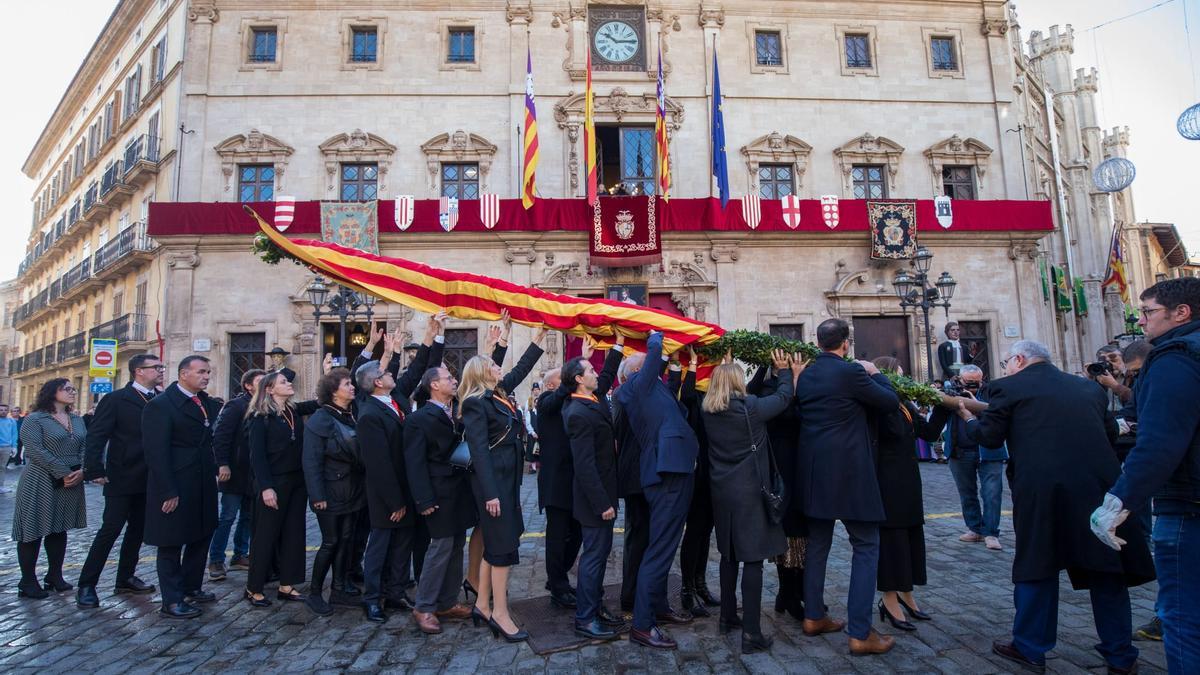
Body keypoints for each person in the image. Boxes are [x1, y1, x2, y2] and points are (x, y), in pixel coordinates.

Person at [956, 340, 1154, 673]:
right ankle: (1120, 654)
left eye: (1006, 361)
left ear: (1019, 360)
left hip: (1043, 492)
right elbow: (1108, 433)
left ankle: (1030, 646)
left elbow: (990, 437)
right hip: (1097, 488)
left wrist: (968, 418)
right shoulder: (1087, 389)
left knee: (1038, 566)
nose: (1004, 367)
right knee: (1106, 570)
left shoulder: (1006, 387)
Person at [1091, 277, 1200, 674]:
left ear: (1181, 313)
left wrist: (1120, 499)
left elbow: (1160, 441)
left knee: (1184, 614)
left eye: (1150, 312)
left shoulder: (1176, 357)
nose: (1143, 320)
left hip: (1189, 504)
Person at [795, 318, 900, 655]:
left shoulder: (807, 374)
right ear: (845, 343)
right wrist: (875, 372)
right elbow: (888, 401)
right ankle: (860, 632)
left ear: (819, 342)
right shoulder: (851, 372)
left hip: (814, 473)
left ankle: (813, 615)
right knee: (866, 546)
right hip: (851, 472)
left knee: (817, 546)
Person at [701, 351, 803, 654]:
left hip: (722, 492)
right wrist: (785, 371)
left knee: (729, 554)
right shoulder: (752, 409)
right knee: (754, 560)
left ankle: (727, 617)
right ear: (736, 383)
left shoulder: (708, 409)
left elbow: (751, 392)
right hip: (750, 492)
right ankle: (752, 633)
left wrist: (758, 367)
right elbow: (785, 398)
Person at [461, 327, 547, 642]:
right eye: (495, 366)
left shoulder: (496, 394)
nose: (501, 368)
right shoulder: (474, 403)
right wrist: (490, 494)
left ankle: (483, 604)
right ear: (484, 373)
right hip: (493, 485)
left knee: (497, 545)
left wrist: (537, 342)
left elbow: (520, 371)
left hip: (507, 482)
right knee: (503, 548)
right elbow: (479, 452)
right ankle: (500, 613)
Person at [615, 331, 697, 650]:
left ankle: (656, 608)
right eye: (652, 368)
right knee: (659, 550)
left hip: (672, 470)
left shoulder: (653, 392)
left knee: (661, 545)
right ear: (638, 373)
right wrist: (656, 332)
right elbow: (654, 355)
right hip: (667, 475)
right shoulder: (639, 386)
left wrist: (676, 363)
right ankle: (643, 625)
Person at [537, 336, 624, 610]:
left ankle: (561, 579)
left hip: (578, 482)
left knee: (575, 536)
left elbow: (606, 379)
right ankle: (558, 585)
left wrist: (616, 350)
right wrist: (573, 370)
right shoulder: (547, 403)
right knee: (557, 536)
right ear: (555, 385)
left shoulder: (581, 401)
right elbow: (564, 389)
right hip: (557, 482)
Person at [75, 355, 163, 609]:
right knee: (110, 529)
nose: (160, 370)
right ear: (138, 371)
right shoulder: (116, 400)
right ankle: (87, 584)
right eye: (155, 367)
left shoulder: (159, 398)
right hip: (122, 474)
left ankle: (125, 576)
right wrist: (93, 469)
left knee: (137, 530)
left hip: (149, 477)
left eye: (160, 367)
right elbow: (97, 435)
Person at [871, 356, 951, 633]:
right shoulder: (882, 405)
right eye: (901, 374)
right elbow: (891, 432)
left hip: (908, 480)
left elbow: (927, 433)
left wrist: (943, 404)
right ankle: (889, 598)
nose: (907, 379)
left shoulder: (905, 404)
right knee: (892, 540)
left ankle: (906, 592)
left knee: (910, 537)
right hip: (887, 481)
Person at [142, 355, 223, 619]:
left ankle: (191, 586)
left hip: (202, 481)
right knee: (172, 541)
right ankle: (172, 598)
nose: (206, 376)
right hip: (176, 481)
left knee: (201, 534)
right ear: (183, 374)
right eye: (201, 371)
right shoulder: (162, 405)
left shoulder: (207, 403)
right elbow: (156, 452)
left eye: (208, 372)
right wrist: (168, 490)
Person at [404, 365, 477, 635]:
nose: (454, 380)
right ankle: (423, 606)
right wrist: (423, 499)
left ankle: (446, 601)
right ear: (434, 385)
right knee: (440, 548)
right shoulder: (418, 419)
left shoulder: (456, 411)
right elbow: (415, 464)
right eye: (448, 378)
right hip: (437, 493)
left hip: (459, 491)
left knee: (457, 545)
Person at [562, 355, 625, 642]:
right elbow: (584, 465)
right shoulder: (577, 412)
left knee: (599, 557)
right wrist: (603, 504)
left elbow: (609, 373)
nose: (595, 373)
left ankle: (595, 606)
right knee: (593, 558)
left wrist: (617, 346)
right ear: (578, 379)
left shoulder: (593, 400)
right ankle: (584, 618)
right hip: (594, 501)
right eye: (589, 370)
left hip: (606, 492)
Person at [244, 371, 318, 607]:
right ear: (269, 389)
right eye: (283, 382)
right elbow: (257, 457)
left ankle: (287, 584)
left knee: (294, 533)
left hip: (297, 481)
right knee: (266, 535)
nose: (289, 384)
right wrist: (266, 487)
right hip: (273, 482)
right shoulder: (259, 417)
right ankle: (254, 587)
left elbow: (320, 402)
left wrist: (327, 374)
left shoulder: (292, 411)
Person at [11, 379, 87, 599]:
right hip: (41, 478)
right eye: (67, 389)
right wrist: (61, 471)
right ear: (52, 392)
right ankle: (27, 581)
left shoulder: (76, 419)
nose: (72, 392)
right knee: (32, 528)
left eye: (74, 389)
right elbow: (34, 449)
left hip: (72, 478)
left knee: (59, 527)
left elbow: (85, 445)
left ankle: (54, 575)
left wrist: (82, 470)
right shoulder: (35, 419)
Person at [747, 361, 808, 622]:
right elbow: (755, 393)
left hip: (799, 461)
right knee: (789, 527)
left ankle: (792, 592)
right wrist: (782, 374)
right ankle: (790, 593)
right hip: (781, 464)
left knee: (800, 531)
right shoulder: (769, 390)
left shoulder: (799, 387)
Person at [302, 367, 365, 616]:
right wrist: (317, 496)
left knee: (346, 539)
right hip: (330, 490)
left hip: (351, 489)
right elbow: (311, 461)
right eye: (347, 384)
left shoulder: (348, 415)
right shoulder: (321, 418)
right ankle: (315, 593)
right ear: (333, 391)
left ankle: (339, 587)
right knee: (330, 542)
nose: (352, 387)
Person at [675, 351, 720, 618]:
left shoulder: (714, 401)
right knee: (694, 532)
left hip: (712, 474)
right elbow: (688, 394)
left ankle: (701, 584)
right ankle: (687, 589)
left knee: (706, 532)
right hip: (695, 473)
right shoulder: (690, 401)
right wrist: (691, 365)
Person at [944, 365, 1007, 551]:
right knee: (966, 492)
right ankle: (974, 528)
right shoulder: (951, 393)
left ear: (982, 379)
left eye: (975, 382)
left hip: (989, 450)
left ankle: (991, 532)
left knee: (992, 493)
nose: (971, 386)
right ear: (959, 379)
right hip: (959, 450)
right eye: (968, 382)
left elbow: (999, 414)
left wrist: (975, 404)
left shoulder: (993, 392)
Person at [208, 369, 264, 581]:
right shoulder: (236, 405)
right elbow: (221, 436)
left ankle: (240, 554)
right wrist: (222, 464)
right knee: (228, 516)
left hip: (252, 473)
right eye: (260, 381)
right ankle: (215, 559)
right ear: (248, 385)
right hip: (234, 471)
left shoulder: (263, 405)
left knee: (248, 516)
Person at [614, 356, 649, 616]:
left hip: (643, 476)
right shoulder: (625, 396)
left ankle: (640, 590)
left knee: (643, 536)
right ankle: (631, 595)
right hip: (636, 477)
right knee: (638, 537)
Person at [0, 404, 16, 492]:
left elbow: (14, 434)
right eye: (1, 410)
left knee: (2, 467)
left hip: (7, 447)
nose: (3, 411)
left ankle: (1, 486)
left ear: (8, 411)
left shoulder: (11, 421)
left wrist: (14, 447)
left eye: (5, 410)